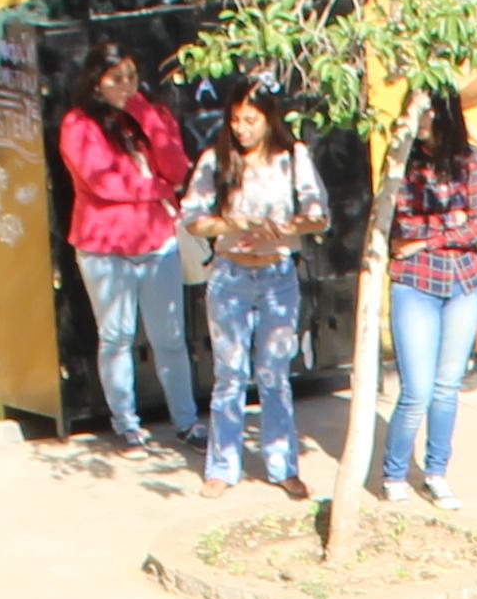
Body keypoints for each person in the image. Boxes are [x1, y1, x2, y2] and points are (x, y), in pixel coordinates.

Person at [181, 98, 328, 497]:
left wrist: (281, 228)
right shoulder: (217, 159)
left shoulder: (292, 157)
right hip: (230, 273)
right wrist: (234, 221)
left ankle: (283, 465)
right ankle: (223, 466)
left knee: (274, 373)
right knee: (229, 375)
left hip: (277, 274)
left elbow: (319, 215)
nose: (242, 129)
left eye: (251, 120)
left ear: (269, 119)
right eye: (235, 120)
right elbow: (192, 219)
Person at [57, 51, 196, 454]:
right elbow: (103, 183)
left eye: (132, 77)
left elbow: (177, 167)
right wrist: (157, 191)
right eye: (116, 78)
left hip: (157, 243)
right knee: (117, 335)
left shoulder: (151, 113)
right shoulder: (78, 125)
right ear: (96, 81)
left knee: (170, 337)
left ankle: (185, 421)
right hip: (106, 246)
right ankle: (127, 424)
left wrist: (145, 115)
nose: (125, 86)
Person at [375, 95, 477, 514]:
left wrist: (426, 240)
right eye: (413, 109)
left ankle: (437, 472)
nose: (419, 119)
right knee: (417, 390)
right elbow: (398, 221)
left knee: (447, 387)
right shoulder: (401, 162)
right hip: (415, 284)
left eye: (426, 111)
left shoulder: (468, 161)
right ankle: (392, 473)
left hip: (463, 282)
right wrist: (452, 222)